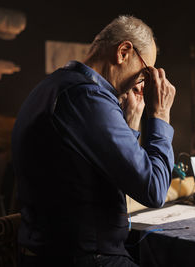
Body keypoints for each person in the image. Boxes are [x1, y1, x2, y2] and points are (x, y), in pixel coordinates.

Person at [12, 15, 176, 266]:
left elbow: (109, 169)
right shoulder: (87, 97)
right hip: (85, 258)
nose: (141, 84)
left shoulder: (54, 87)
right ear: (123, 51)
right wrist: (160, 115)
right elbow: (154, 189)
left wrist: (130, 122)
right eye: (144, 74)